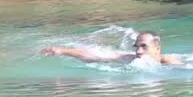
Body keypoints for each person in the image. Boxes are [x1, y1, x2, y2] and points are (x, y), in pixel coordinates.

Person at [41, 31, 184, 65]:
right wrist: (63, 51)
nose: (138, 51)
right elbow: (95, 55)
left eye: (144, 47)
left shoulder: (170, 62)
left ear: (157, 47)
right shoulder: (130, 59)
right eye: (137, 47)